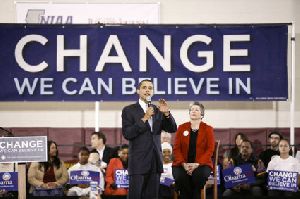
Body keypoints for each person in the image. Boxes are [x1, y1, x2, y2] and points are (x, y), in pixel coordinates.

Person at [122, 79, 177, 199]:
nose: (147, 90)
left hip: (155, 161)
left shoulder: (158, 110)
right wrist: (145, 117)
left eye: (150, 88)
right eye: (144, 87)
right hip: (138, 162)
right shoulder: (129, 110)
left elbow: (172, 128)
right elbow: (127, 133)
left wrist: (167, 113)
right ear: (138, 91)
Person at [172, 102, 215, 199]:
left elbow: (210, 149)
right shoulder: (181, 128)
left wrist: (197, 164)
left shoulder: (208, 129)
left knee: (198, 177)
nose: (193, 111)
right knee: (180, 177)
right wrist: (183, 164)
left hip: (202, 164)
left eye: (197, 109)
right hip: (182, 164)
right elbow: (176, 148)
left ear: (202, 114)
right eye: (191, 109)